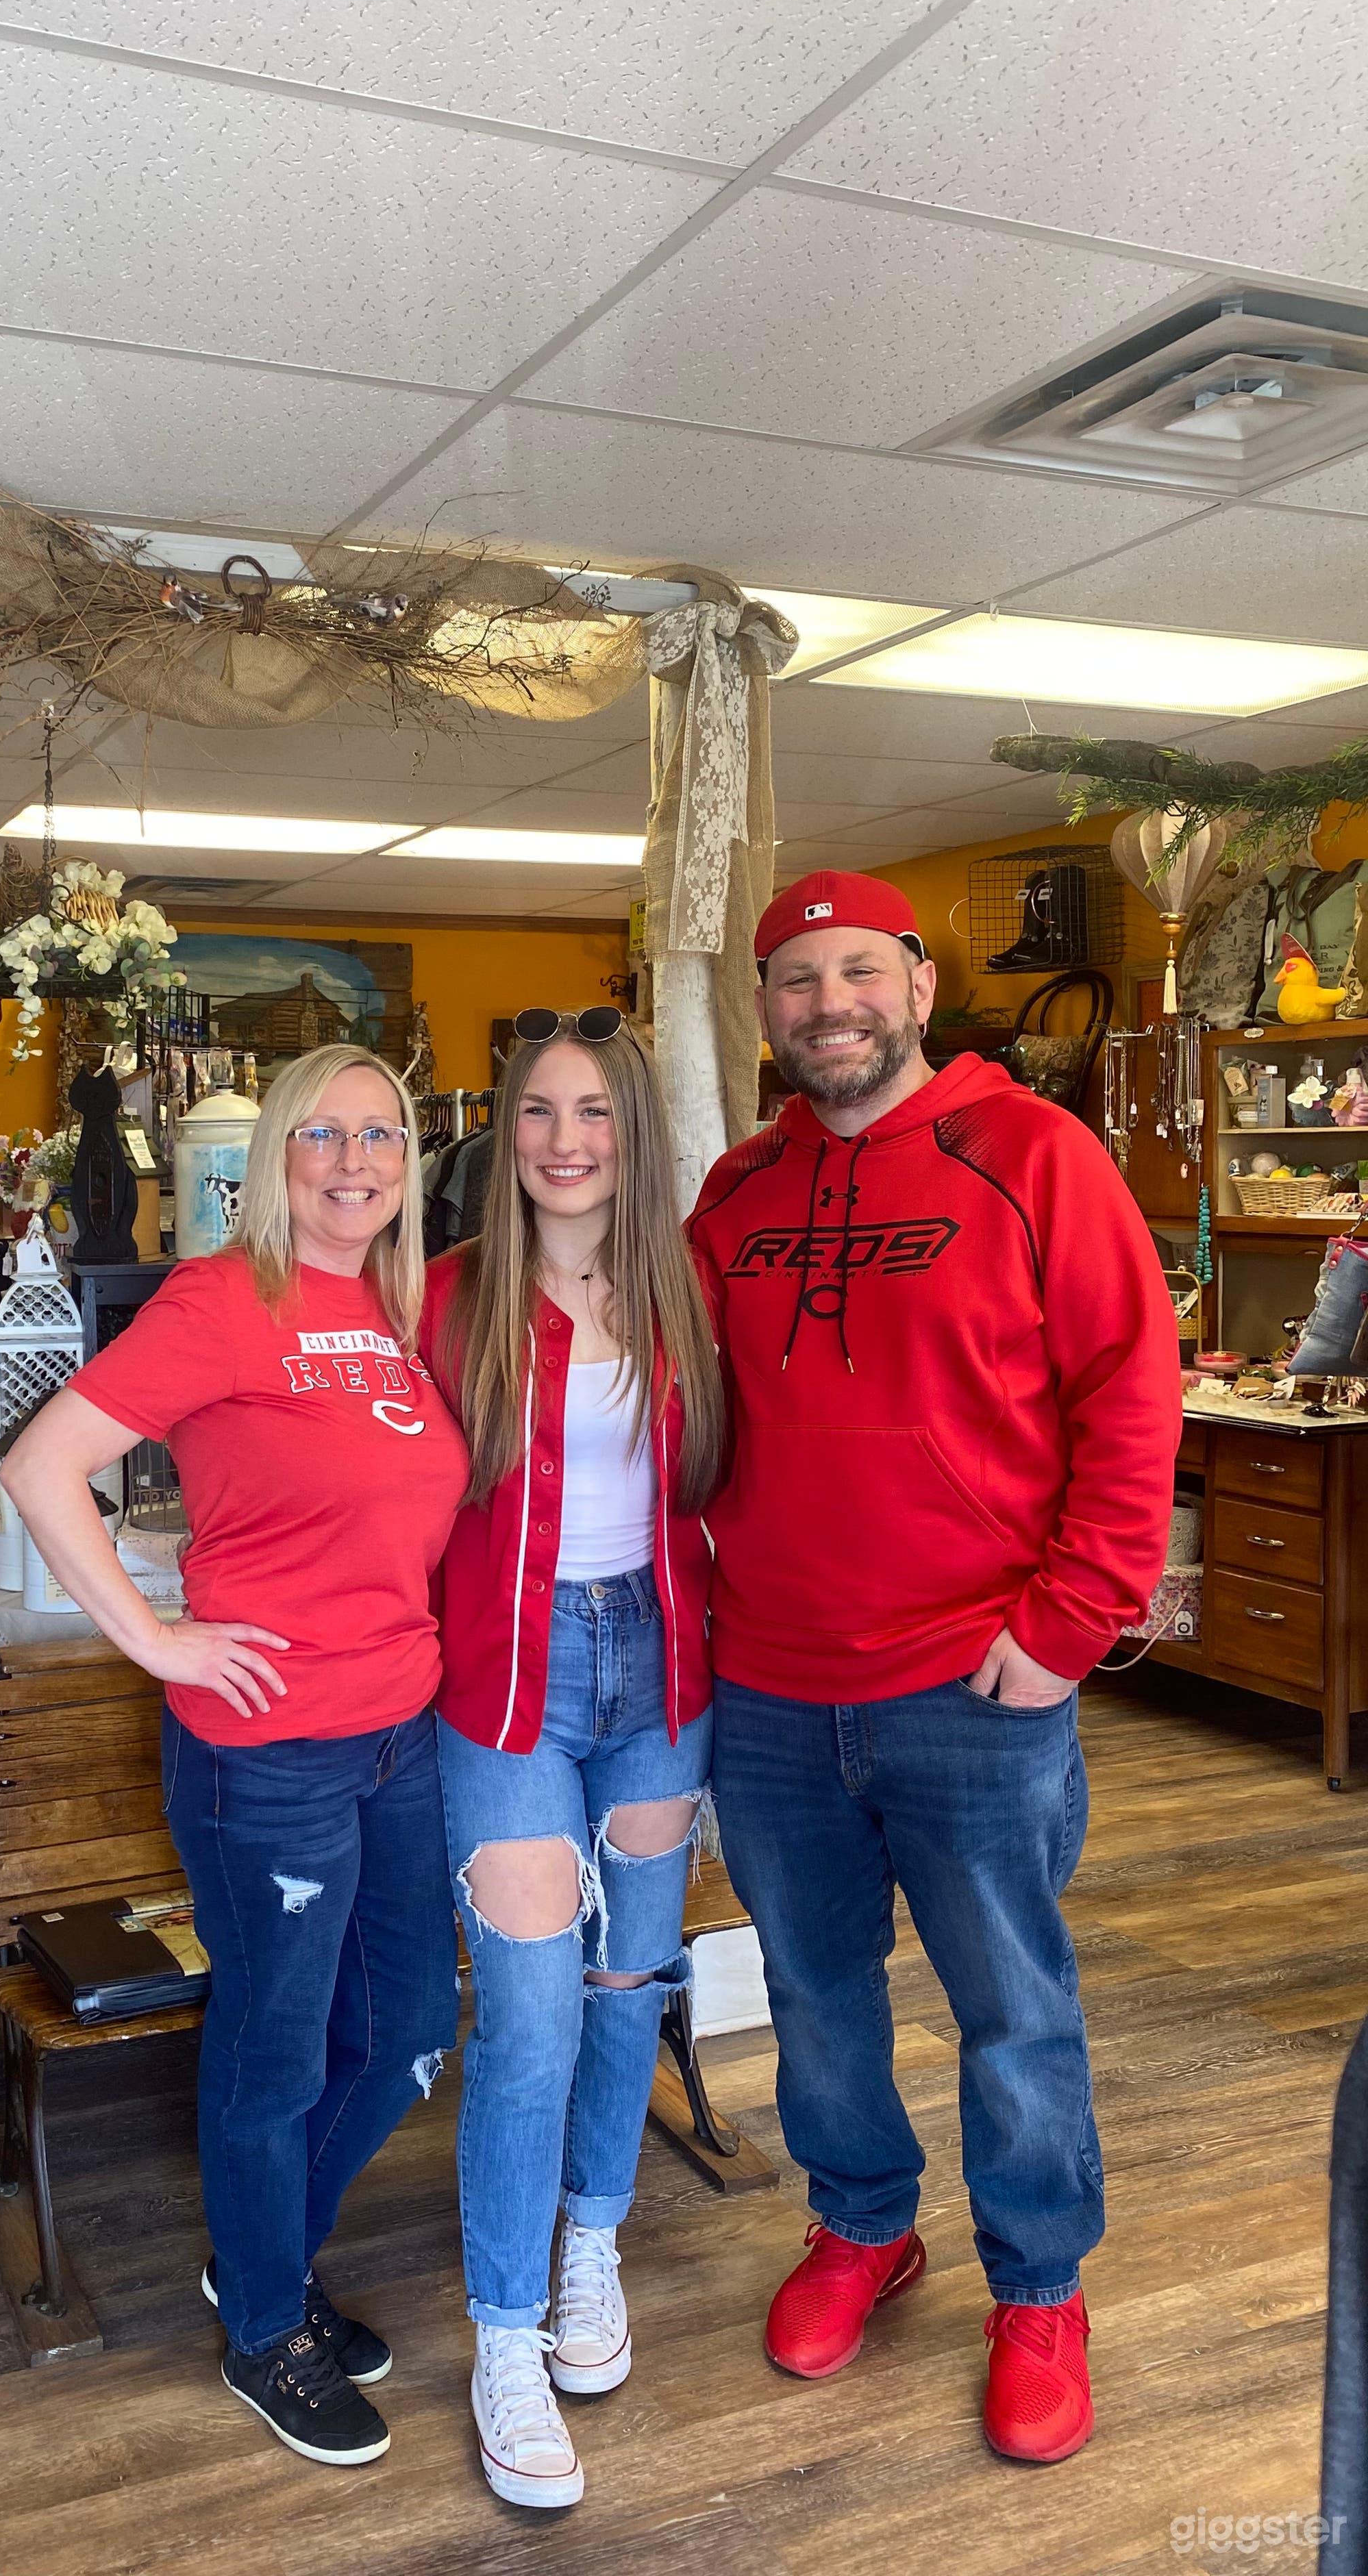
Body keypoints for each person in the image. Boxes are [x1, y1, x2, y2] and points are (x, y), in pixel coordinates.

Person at [690, 870, 1181, 2466]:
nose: (827, 1004)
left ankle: (1038, 2291)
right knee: (819, 1999)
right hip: (768, 1691)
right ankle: (863, 2226)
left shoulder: (1039, 1157)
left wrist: (1066, 1625)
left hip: (975, 1689)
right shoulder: (735, 1191)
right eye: (793, 980)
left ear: (914, 981)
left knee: (1011, 2012)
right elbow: (690, 1423)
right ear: (765, 1009)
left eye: (855, 973)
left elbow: (1130, 1397)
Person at [1, 1043, 469, 2470]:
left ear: (408, 1159)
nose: (353, 1161)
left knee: (398, 2035)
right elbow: (40, 1465)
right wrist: (157, 1638)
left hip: (404, 1731)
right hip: (267, 1755)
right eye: (322, 1135)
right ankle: (268, 2322)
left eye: (380, 1134)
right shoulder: (223, 1298)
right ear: (278, 1155)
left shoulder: (402, 1304)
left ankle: (262, 2257)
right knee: (274, 2057)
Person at [422, 1008, 722, 2510]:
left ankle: (591, 2247)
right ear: (507, 1134)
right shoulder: (453, 1298)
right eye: (537, 1111)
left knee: (628, 1985)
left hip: (661, 1673)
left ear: (632, 1132)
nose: (562, 1141)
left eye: (591, 1112)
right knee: (532, 2010)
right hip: (506, 1683)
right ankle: (504, 2335)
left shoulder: (685, 1292)